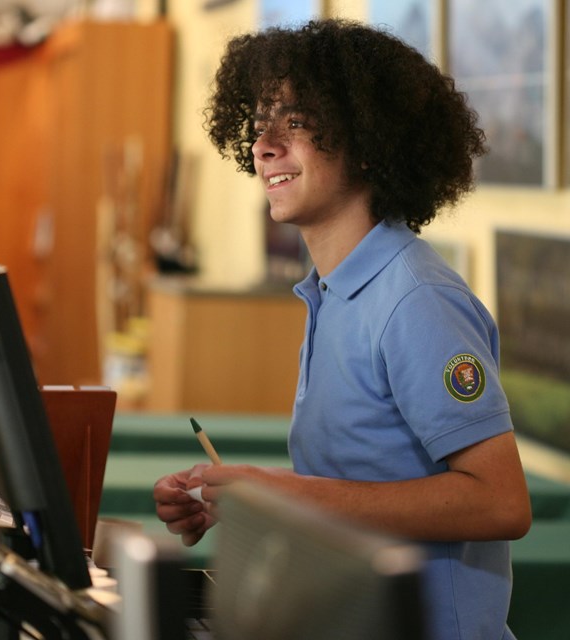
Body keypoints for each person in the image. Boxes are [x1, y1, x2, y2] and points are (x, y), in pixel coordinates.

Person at [153, 18, 532, 640]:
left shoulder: (416, 300)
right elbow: (360, 483)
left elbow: (500, 502)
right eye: (258, 123)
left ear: (365, 141)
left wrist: (282, 497)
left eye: (295, 122)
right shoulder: (331, 290)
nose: (264, 144)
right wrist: (240, 495)